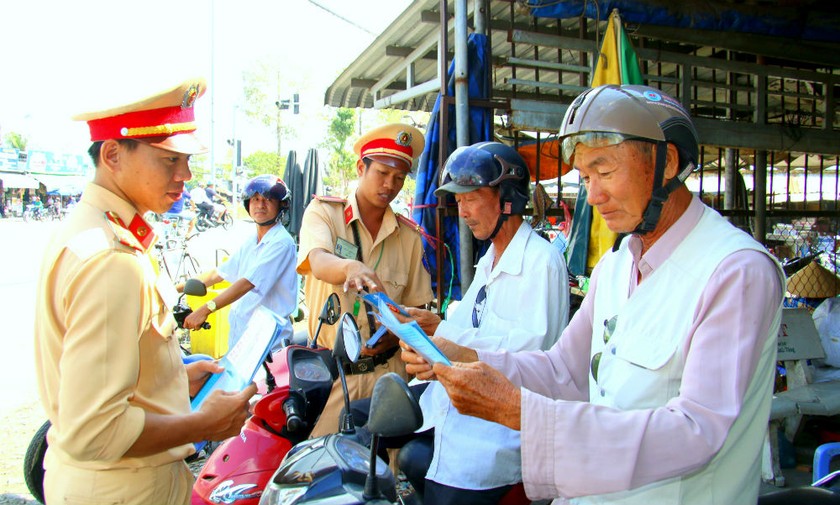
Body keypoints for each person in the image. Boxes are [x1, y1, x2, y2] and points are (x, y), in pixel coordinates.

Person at [401, 84, 786, 505]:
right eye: (585, 177)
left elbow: (696, 431)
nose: (593, 195)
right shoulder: (617, 265)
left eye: (604, 172)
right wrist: (466, 358)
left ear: (667, 162)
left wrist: (521, 412)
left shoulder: (735, 270)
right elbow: (563, 371)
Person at [34, 77, 256, 505]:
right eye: (169, 160)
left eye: (186, 160)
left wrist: (171, 379)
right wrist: (202, 424)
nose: (185, 176)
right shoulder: (111, 259)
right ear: (113, 154)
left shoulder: (91, 232)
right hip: (123, 489)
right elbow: (95, 431)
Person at [386, 141, 570, 504]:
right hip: (466, 404)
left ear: (508, 198)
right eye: (458, 201)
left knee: (442, 475)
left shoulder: (541, 262)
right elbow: (471, 324)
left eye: (470, 197)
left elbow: (532, 357)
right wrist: (435, 326)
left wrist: (450, 345)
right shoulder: (489, 259)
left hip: (501, 428)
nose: (463, 211)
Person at [297, 122, 434, 438]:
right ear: (361, 167)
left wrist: (397, 332)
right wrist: (350, 268)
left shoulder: (410, 237)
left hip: (391, 376)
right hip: (336, 377)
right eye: (382, 173)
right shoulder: (325, 214)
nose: (390, 184)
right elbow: (317, 261)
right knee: (327, 469)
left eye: (399, 178)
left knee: (389, 476)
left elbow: (416, 308)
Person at [182, 174, 298, 350]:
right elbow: (219, 273)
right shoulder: (252, 240)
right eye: (255, 199)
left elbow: (248, 283)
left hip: (266, 343)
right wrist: (174, 289)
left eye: (268, 200)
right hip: (242, 337)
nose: (260, 205)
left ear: (281, 205)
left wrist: (206, 309)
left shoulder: (281, 242)